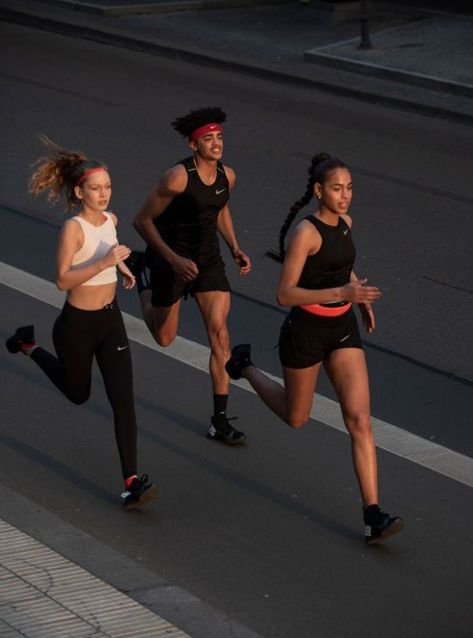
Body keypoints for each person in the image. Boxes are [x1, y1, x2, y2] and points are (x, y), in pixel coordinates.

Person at [226, 153, 404, 544]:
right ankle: (243, 366)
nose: (345, 196)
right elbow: (284, 293)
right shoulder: (305, 233)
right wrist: (343, 290)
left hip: (342, 329)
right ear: (319, 191)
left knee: (360, 420)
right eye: (337, 189)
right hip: (305, 330)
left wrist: (359, 298)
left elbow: (341, 265)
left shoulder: (346, 224)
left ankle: (373, 514)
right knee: (296, 417)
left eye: (350, 188)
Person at [5, 137, 158, 510]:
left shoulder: (111, 220)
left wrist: (122, 270)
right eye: (96, 188)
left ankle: (131, 482)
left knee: (124, 401)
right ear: (79, 191)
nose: (104, 194)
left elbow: (110, 244)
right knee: (78, 394)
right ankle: (29, 346)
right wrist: (106, 264)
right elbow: (62, 279)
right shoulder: (72, 228)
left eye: (107, 187)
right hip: (75, 326)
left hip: (110, 321)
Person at [128, 107, 251, 445]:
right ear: (193, 146)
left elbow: (220, 207)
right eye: (208, 139)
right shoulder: (177, 177)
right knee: (164, 337)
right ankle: (143, 276)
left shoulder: (229, 175)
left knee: (221, 335)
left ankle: (219, 421)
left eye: (219, 137)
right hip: (170, 260)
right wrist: (172, 259)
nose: (216, 144)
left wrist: (235, 247)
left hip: (208, 261)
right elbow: (141, 221)